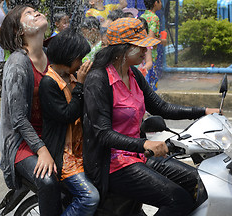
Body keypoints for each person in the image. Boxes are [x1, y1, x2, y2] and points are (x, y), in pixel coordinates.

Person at [83, 17, 220, 216]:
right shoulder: (98, 80)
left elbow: (161, 107)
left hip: (139, 157)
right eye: (141, 47)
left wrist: (203, 112)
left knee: (201, 182)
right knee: (178, 200)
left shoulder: (133, 75)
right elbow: (103, 134)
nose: (146, 51)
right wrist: (145, 144)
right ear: (123, 49)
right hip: (113, 164)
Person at [0, 5, 62, 215]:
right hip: (22, 143)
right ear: (20, 31)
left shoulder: (51, 55)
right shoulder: (17, 63)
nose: (36, 13)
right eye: (28, 13)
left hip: (51, 135)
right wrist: (42, 151)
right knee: (49, 182)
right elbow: (17, 118)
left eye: (36, 10)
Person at [39, 28, 100, 215]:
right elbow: (68, 114)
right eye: (79, 59)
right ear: (68, 57)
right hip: (64, 155)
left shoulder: (70, 76)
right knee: (90, 197)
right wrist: (80, 85)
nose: (81, 63)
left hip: (81, 150)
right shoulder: (49, 83)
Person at [140, 0, 167, 91]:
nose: (161, 3)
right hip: (150, 55)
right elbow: (150, 39)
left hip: (141, 52)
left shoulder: (142, 16)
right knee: (151, 84)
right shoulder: (154, 18)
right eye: (160, 1)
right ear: (156, 3)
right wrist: (162, 41)